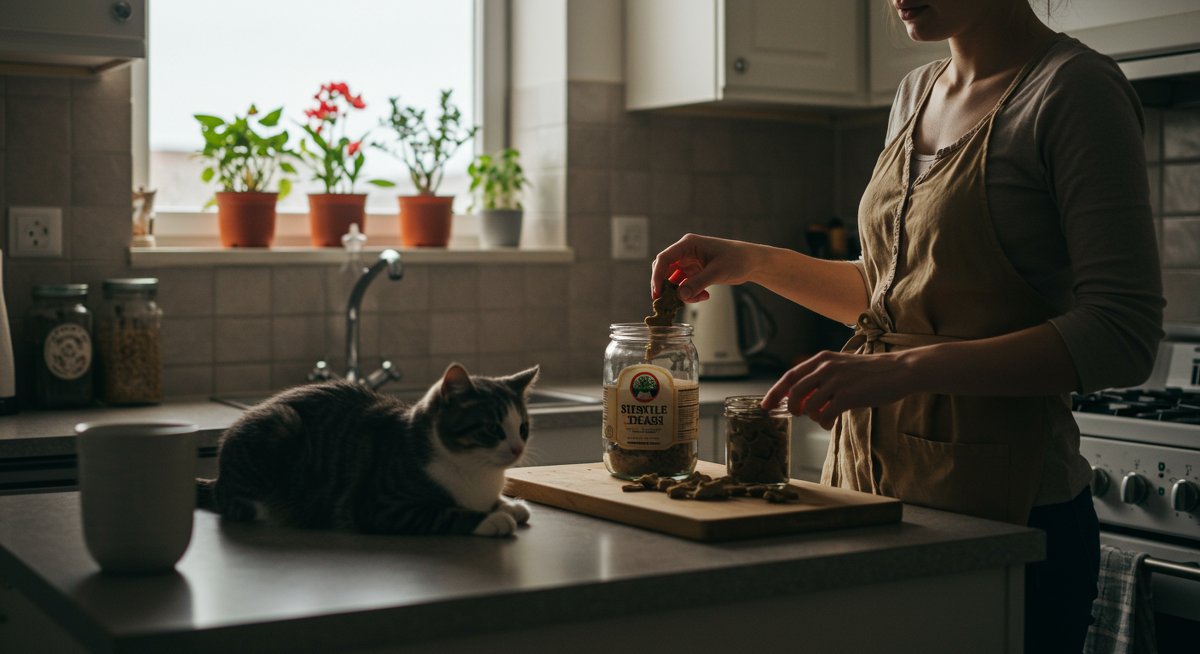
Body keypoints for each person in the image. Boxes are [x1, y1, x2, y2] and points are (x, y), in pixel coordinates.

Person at [651, 1, 1164, 652]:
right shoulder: (915, 93)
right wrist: (753, 262)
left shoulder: (1074, 90)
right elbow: (897, 293)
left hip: (1006, 512)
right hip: (867, 488)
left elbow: (1122, 332)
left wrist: (898, 371)